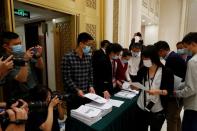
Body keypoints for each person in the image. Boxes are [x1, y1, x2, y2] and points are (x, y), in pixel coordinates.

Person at [132, 45, 174, 131]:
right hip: (141, 106)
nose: (144, 61)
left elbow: (169, 91)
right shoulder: (142, 70)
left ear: (154, 57)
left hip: (157, 109)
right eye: (143, 59)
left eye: (146, 59)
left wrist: (158, 91)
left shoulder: (166, 72)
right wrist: (134, 86)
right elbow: (137, 85)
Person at [0, 31, 44, 101]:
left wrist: (39, 56)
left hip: (34, 89)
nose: (20, 46)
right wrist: (25, 60)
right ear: (6, 46)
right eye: (16, 44)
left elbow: (40, 66)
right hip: (20, 97)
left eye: (20, 43)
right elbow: (22, 79)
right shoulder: (5, 62)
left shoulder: (22, 54)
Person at [154, 41, 187, 131]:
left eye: (157, 53)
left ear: (161, 51)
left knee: (171, 119)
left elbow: (169, 79)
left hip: (175, 94)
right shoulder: (174, 56)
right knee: (176, 118)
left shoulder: (171, 58)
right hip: (180, 92)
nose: (159, 56)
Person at [61, 32, 95, 116]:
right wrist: (77, 90)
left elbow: (90, 73)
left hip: (86, 94)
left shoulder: (88, 57)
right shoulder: (68, 57)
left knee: (85, 117)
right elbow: (66, 78)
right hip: (73, 95)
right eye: (88, 45)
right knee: (73, 117)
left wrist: (91, 86)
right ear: (81, 44)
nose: (90, 48)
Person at [174, 32, 197, 131]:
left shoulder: (193, 61)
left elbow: (191, 89)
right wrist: (179, 85)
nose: (185, 50)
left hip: (193, 106)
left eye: (186, 47)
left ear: (193, 44)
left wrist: (177, 93)